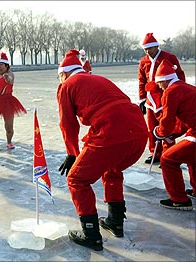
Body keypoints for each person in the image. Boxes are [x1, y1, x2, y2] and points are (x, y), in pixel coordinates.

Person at [56, 49, 148, 251]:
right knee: (112, 168)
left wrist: (72, 153)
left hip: (112, 132)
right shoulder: (97, 78)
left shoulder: (67, 85)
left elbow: (68, 124)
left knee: (77, 179)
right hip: (140, 131)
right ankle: (115, 222)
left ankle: (91, 234)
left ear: (64, 73)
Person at [152, 59, 196, 210]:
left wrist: (160, 132)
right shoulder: (185, 87)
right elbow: (186, 119)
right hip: (194, 130)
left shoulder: (171, 92)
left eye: (159, 82)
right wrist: (173, 134)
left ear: (165, 80)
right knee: (192, 156)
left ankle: (179, 199)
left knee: (168, 159)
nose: (158, 86)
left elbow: (167, 119)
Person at [138, 33, 185, 164]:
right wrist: (142, 98)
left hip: (165, 98)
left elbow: (179, 76)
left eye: (151, 48)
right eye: (145, 49)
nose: (148, 51)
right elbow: (142, 80)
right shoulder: (143, 61)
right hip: (150, 100)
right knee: (151, 127)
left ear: (157, 46)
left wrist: (178, 95)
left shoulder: (169, 57)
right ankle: (155, 153)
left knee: (167, 126)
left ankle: (168, 153)